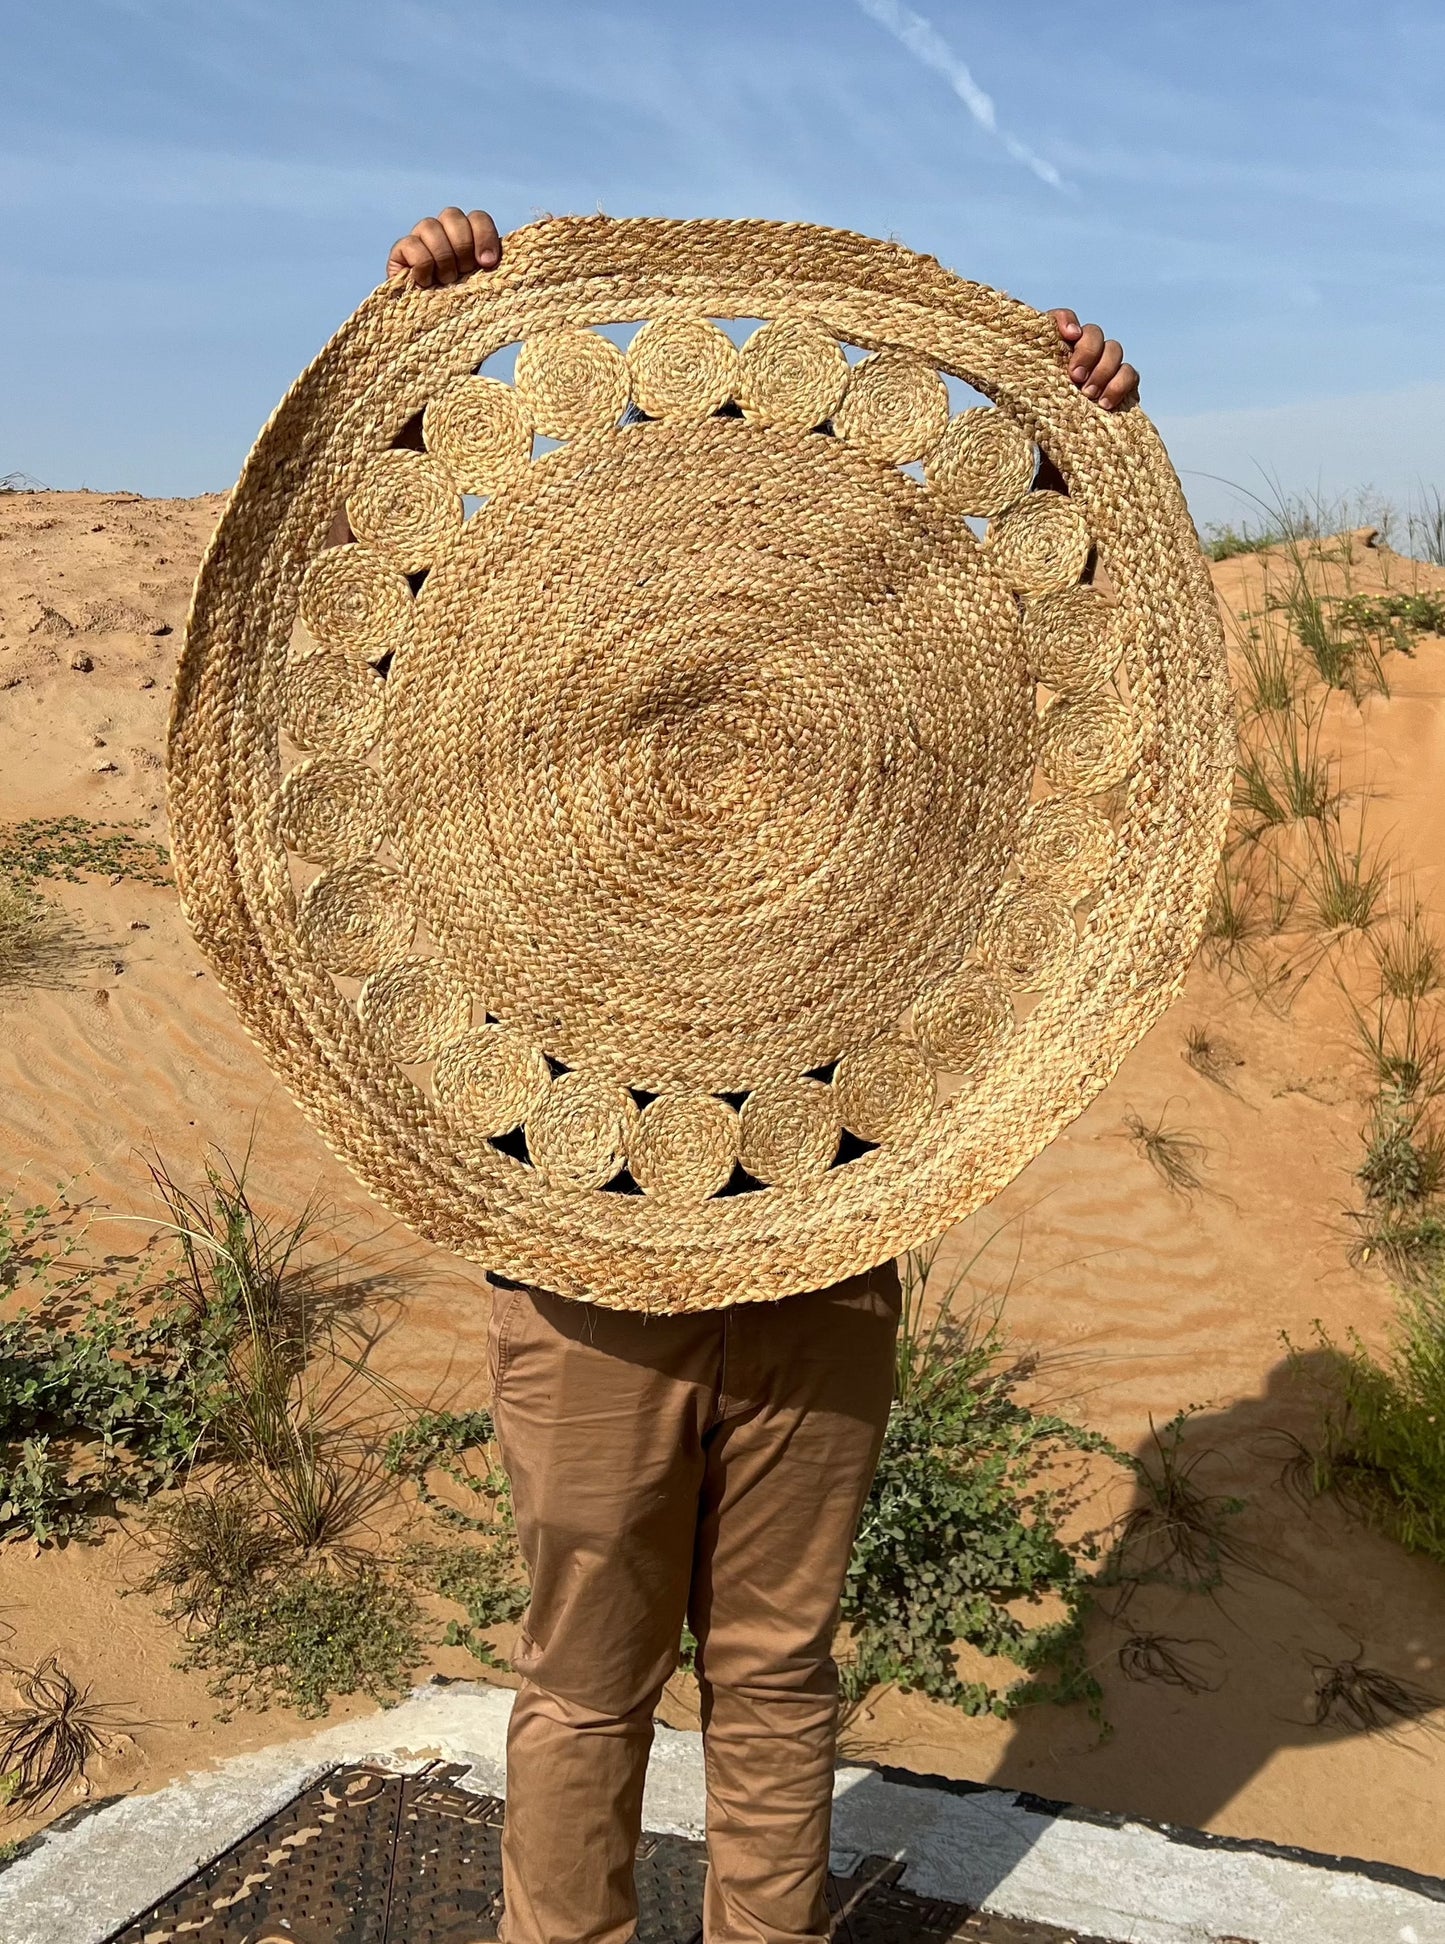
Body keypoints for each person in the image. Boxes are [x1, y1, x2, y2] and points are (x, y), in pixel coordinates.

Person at [383, 205, 1141, 1944]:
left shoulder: (888, 730)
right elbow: (383, 596)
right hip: (580, 1248)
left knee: (779, 1673)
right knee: (586, 1680)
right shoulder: (509, 721)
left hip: (825, 1225)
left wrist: (1059, 429)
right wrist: (426, 350)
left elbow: (1074, 691)